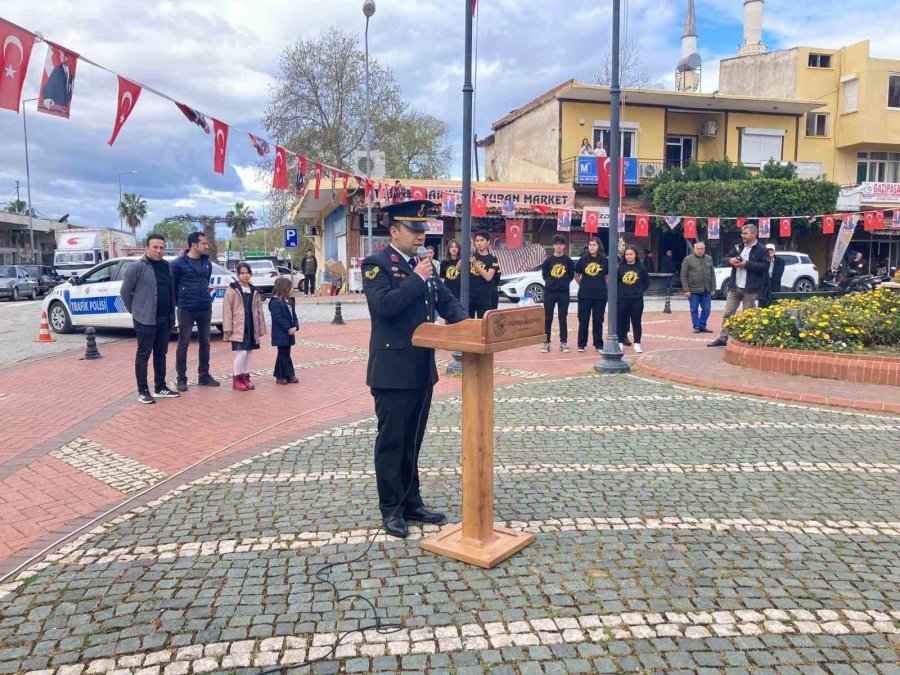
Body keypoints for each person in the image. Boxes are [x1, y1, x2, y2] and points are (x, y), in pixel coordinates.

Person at [361, 200, 468, 539]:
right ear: (394, 231)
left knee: (413, 441)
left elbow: (447, 302)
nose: (421, 236)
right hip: (392, 372)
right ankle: (391, 508)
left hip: (421, 369)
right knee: (392, 442)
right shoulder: (376, 265)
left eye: (423, 229)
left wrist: (473, 326)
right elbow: (384, 307)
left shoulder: (424, 268)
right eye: (414, 229)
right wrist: (417, 278)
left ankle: (412, 502)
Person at [119, 234, 179, 405]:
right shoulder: (137, 267)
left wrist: (171, 315)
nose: (159, 251)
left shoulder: (167, 267)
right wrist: (136, 311)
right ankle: (143, 391)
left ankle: (160, 387)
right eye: (155, 247)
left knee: (161, 354)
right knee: (143, 354)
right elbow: (125, 292)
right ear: (147, 248)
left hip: (164, 318)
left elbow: (170, 291)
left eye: (161, 247)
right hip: (145, 319)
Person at [172, 232, 220, 392]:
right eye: (204, 243)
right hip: (186, 308)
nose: (207, 246)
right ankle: (181, 378)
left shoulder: (207, 263)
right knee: (183, 343)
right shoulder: (178, 264)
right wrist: (179, 303)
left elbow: (206, 281)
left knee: (205, 342)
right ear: (194, 245)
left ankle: (204, 375)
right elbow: (174, 285)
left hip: (205, 307)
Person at [708, 224, 769, 347]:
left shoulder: (762, 249)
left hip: (750, 289)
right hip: (734, 287)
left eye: (745, 233)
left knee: (749, 315)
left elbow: (764, 267)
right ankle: (723, 338)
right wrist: (730, 261)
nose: (743, 236)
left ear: (754, 234)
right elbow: (725, 258)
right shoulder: (739, 247)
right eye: (742, 233)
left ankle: (748, 338)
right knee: (728, 313)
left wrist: (746, 264)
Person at [223, 262, 267, 390]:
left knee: (249, 352)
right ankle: (237, 378)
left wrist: (261, 328)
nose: (245, 276)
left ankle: (246, 377)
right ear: (237, 274)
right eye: (242, 273)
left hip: (251, 326)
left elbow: (259, 310)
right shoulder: (232, 289)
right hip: (238, 327)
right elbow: (227, 310)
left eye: (247, 273)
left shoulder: (254, 290)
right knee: (241, 353)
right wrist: (227, 328)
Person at [541, 234, 575, 353]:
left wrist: (563, 282)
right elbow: (544, 275)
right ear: (553, 245)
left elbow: (571, 276)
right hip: (550, 292)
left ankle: (563, 343)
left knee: (562, 317)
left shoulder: (568, 261)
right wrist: (552, 283)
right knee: (548, 318)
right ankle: (546, 343)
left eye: (561, 244)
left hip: (563, 293)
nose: (558, 246)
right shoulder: (548, 261)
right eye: (556, 244)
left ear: (564, 246)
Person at [574, 236, 608, 352]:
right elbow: (576, 274)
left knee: (598, 320)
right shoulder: (583, 259)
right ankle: (581, 344)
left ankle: (598, 343)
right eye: (590, 245)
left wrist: (602, 285)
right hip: (585, 295)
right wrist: (582, 284)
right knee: (583, 320)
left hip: (600, 295)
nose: (591, 247)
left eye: (594, 245)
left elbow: (608, 276)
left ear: (598, 246)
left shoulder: (604, 260)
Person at [617, 245, 650, 354]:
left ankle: (637, 343)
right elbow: (616, 282)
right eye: (627, 254)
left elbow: (647, 282)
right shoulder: (621, 267)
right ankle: (620, 343)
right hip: (623, 298)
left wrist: (640, 291)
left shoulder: (641, 267)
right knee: (621, 321)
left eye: (631, 254)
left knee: (636, 321)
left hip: (636, 299)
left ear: (635, 255)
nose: (629, 256)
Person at [269, 277, 299, 385]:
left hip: (289, 332)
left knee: (287, 353)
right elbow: (278, 318)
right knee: (282, 353)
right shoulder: (275, 302)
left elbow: (294, 315)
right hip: (280, 333)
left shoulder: (290, 301)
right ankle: (280, 375)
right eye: (289, 288)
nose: (291, 290)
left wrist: (295, 326)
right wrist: (288, 328)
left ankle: (288, 374)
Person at [681, 241, 716, 333]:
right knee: (694, 309)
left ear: (704, 249)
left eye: (702, 249)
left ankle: (702, 325)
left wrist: (713, 288)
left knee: (707, 309)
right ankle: (696, 326)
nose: (700, 251)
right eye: (698, 249)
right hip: (693, 290)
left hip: (706, 289)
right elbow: (683, 275)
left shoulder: (709, 259)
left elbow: (712, 274)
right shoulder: (688, 259)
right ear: (694, 249)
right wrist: (686, 290)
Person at [469, 229, 499, 318]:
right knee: (468, 322)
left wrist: (475, 264)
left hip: (484, 296)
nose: (479, 243)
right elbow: (458, 269)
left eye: (482, 240)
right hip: (470, 295)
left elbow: (488, 277)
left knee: (483, 322)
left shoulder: (493, 259)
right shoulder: (471, 256)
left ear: (488, 242)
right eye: (477, 240)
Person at [758, 243, 786, 308]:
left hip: (775, 288)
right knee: (762, 309)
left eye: (771, 249)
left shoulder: (781, 261)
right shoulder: (760, 261)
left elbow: (778, 276)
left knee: (775, 309)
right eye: (767, 250)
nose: (769, 251)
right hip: (763, 289)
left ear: (775, 251)